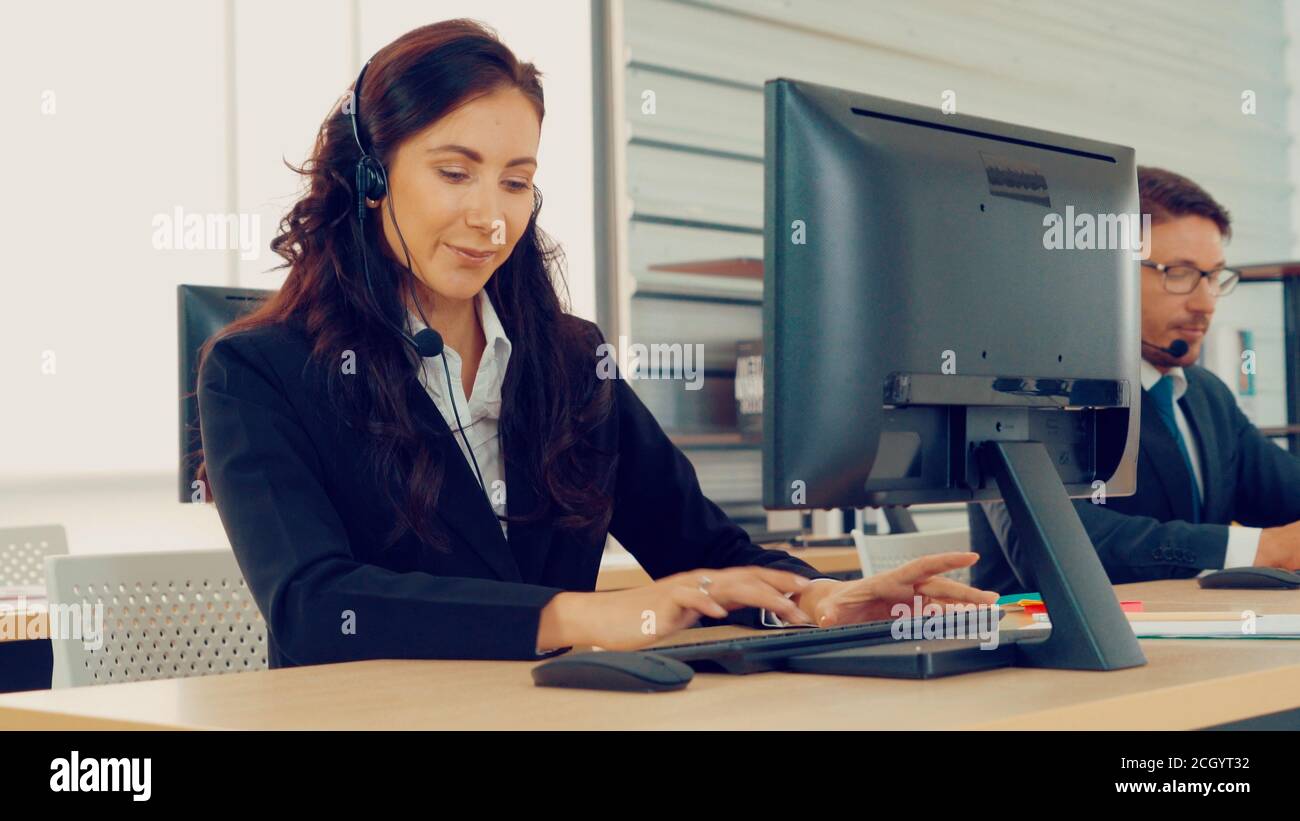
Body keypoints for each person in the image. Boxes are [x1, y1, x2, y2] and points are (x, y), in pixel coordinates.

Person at [196, 19, 997, 669]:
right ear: (372, 180)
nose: (491, 216)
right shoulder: (260, 371)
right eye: (455, 172)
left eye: (515, 181)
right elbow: (313, 605)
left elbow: (705, 547)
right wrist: (583, 614)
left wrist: (817, 598)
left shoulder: (571, 365)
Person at [971, 166, 1300, 594]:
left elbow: (1284, 490)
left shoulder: (1203, 395)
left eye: (1214, 276)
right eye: (1178, 274)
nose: (1206, 303)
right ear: (1106, 272)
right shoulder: (1026, 394)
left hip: (1191, 642)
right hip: (1043, 654)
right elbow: (1058, 548)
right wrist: (1260, 549)